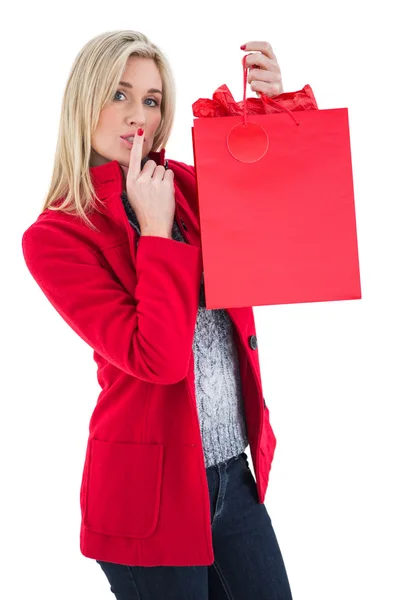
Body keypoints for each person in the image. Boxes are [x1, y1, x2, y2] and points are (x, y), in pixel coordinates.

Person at [21, 29, 292, 599]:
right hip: (149, 497)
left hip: (232, 481)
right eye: (118, 94)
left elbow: (283, 232)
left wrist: (276, 116)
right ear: (84, 101)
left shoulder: (188, 186)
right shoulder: (55, 237)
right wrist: (154, 231)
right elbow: (160, 357)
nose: (136, 115)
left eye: (151, 99)